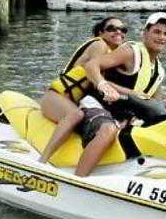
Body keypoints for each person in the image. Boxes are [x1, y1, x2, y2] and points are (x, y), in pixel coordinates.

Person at [75, 12, 166, 177]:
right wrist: (102, 84)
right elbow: (92, 65)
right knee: (108, 130)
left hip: (122, 116)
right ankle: (78, 179)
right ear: (145, 33)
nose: (161, 37)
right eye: (157, 32)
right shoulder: (131, 52)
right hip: (97, 106)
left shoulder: (159, 70)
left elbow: (151, 98)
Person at [38, 17, 129, 163]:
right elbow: (98, 81)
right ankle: (42, 160)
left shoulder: (112, 56)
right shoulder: (99, 45)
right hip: (55, 96)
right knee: (77, 114)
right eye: (112, 29)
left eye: (123, 29)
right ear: (101, 32)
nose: (118, 32)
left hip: (69, 101)